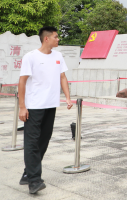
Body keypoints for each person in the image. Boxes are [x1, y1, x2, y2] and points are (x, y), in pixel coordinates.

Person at [18, 26, 73, 194]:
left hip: (51, 105)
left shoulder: (58, 56)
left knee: (44, 140)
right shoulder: (31, 57)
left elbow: (62, 77)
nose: (58, 39)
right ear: (46, 39)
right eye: (56, 37)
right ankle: (34, 181)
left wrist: (68, 97)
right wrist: (22, 107)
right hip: (34, 107)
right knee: (32, 142)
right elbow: (22, 81)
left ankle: (28, 173)